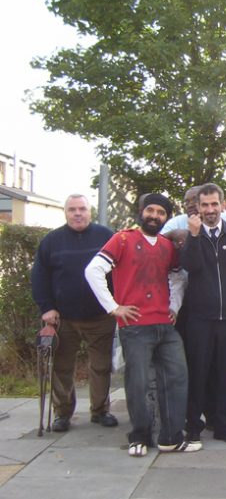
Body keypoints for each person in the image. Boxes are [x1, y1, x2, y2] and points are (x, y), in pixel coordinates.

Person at [85, 193, 196, 457]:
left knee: (177, 378)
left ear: (166, 217)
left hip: (165, 325)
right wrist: (113, 308)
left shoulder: (167, 246)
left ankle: (171, 437)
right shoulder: (122, 239)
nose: (155, 216)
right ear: (141, 211)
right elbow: (93, 271)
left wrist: (175, 306)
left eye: (161, 212)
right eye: (151, 210)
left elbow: (179, 277)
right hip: (134, 326)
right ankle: (139, 437)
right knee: (138, 383)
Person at [30, 194, 117, 432]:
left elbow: (119, 272)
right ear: (65, 213)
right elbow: (39, 277)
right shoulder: (51, 241)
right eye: (72, 210)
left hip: (100, 317)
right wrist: (46, 307)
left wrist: (116, 305)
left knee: (100, 367)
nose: (77, 213)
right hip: (64, 318)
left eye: (82, 209)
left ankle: (100, 411)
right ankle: (62, 414)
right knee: (62, 368)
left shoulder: (106, 237)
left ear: (90, 211)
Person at [179, 183, 226, 445]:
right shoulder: (192, 234)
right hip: (200, 319)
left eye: (214, 204)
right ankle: (194, 425)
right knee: (198, 372)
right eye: (204, 205)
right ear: (197, 207)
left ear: (223, 205)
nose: (209, 210)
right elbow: (190, 265)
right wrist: (194, 237)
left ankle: (224, 425)